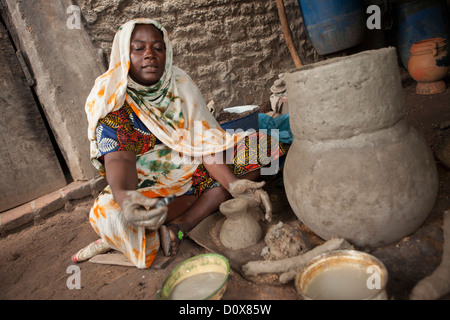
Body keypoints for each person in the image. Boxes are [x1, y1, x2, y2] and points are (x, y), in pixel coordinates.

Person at [75, 18, 287, 269]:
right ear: (124, 53)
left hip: (197, 167)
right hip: (148, 183)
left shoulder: (180, 84)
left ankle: (181, 225)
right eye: (139, 48)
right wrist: (127, 198)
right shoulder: (113, 96)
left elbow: (205, 143)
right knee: (108, 213)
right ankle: (140, 229)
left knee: (262, 146)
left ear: (167, 52)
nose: (150, 55)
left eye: (158, 47)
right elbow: (120, 158)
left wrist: (233, 183)